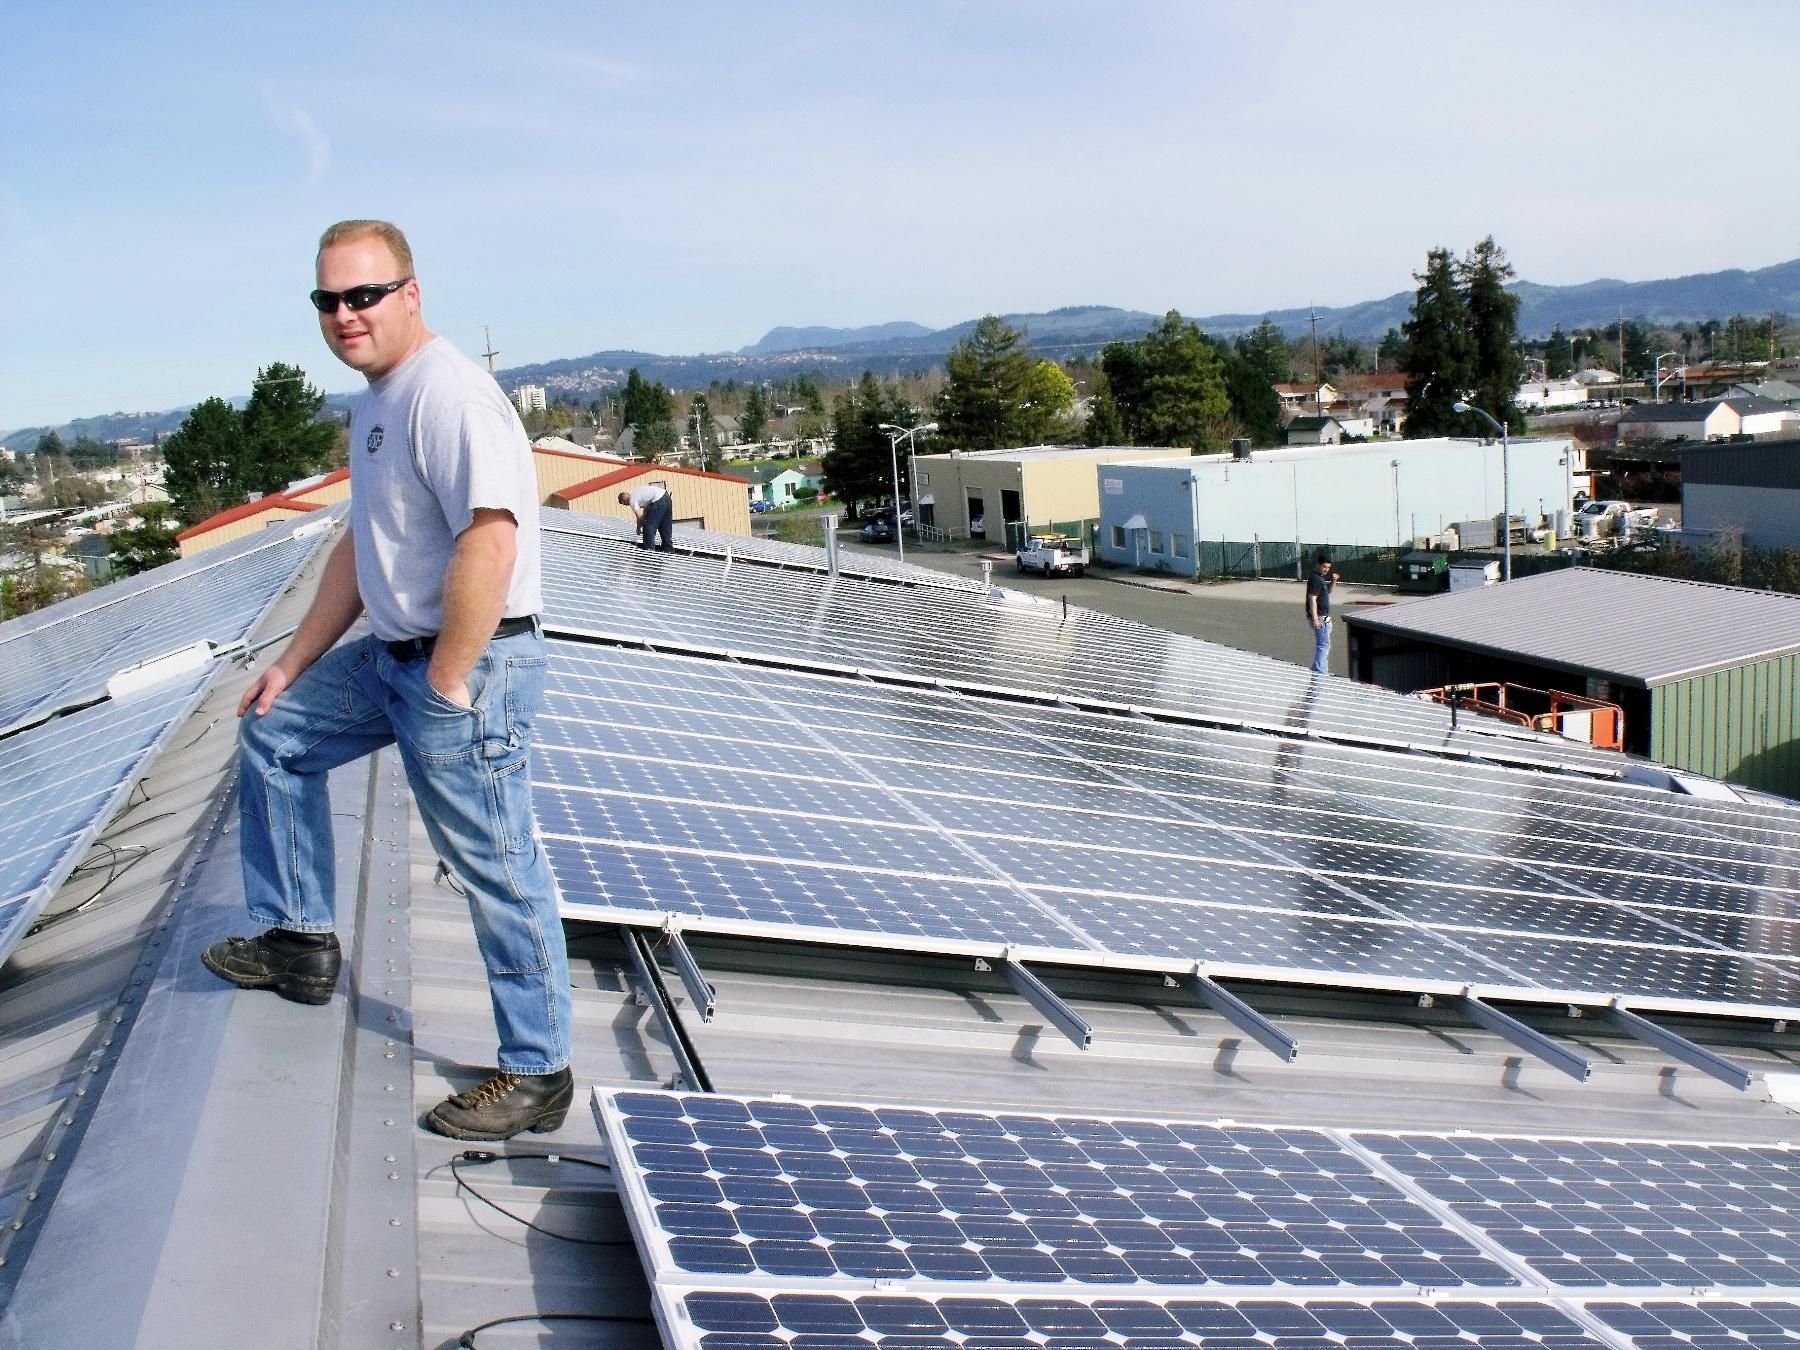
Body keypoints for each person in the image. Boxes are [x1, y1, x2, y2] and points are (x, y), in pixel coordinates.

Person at [200, 219, 573, 1141]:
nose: (345, 315)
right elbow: (361, 549)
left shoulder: (448, 396)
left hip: (467, 662)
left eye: (363, 295)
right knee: (275, 730)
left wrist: (446, 684)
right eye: (327, 300)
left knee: (496, 866)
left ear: (410, 293)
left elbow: (491, 544)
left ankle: (540, 1070)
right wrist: (292, 663)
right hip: (395, 657)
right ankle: (297, 941)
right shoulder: (378, 401)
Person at [1305, 549, 1337, 675]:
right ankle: (1320, 670)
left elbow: (1328, 591)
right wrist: (1315, 619)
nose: (1326, 570)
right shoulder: (1315, 579)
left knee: (1325, 642)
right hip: (1320, 616)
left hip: (1324, 616)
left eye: (1328, 568)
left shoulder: (1319, 578)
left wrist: (1333, 581)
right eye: (1324, 567)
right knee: (1323, 645)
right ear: (1318, 564)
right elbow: (1312, 599)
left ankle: (1317, 667)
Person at [618, 482, 674, 550]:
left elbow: (640, 516)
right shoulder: (634, 492)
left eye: (625, 504)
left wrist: (639, 528)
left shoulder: (631, 500)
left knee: (649, 526)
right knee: (665, 526)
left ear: (624, 500)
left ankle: (649, 550)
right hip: (666, 496)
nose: (627, 505)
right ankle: (669, 549)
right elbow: (646, 511)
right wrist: (639, 526)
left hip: (658, 500)